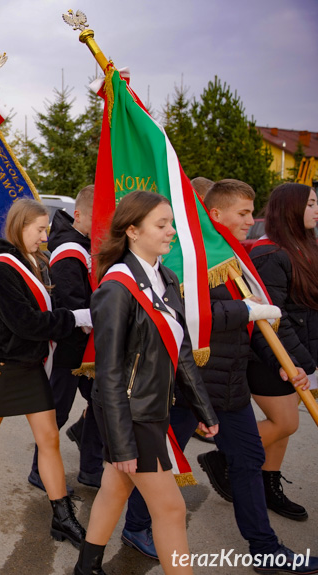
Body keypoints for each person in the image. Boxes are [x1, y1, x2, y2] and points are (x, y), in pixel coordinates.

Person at [117, 178, 318, 575]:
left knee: (248, 458)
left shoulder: (236, 258)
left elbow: (258, 325)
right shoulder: (189, 262)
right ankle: (136, 526)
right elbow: (190, 319)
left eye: (251, 212)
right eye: (242, 214)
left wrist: (281, 360)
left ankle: (265, 550)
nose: (251, 220)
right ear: (214, 215)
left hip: (232, 384)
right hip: (191, 386)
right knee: (162, 461)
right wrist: (247, 311)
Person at [74, 191, 219, 575]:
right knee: (171, 508)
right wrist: (121, 443)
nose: (172, 231)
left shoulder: (165, 276)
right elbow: (108, 373)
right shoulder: (116, 287)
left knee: (115, 489)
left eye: (170, 222)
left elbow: (181, 350)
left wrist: (203, 408)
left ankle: (86, 567)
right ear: (133, 231)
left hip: (153, 409)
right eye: (162, 224)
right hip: (131, 417)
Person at [0, 199, 88, 548]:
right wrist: (75, 318)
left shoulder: (33, 260)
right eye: (39, 230)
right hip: (1, 365)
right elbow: (25, 323)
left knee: (49, 438)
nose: (44, 236)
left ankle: (63, 517)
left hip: (29, 364)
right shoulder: (1, 267)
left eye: (46, 230)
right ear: (19, 226)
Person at [247, 182, 318, 523]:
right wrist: (294, 360)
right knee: (286, 421)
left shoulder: (304, 247)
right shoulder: (270, 254)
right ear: (290, 208)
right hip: (270, 356)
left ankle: (268, 483)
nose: (316, 210)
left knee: (285, 424)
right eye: (310, 204)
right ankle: (227, 456)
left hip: (292, 355)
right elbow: (275, 316)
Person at [28, 185, 104, 492]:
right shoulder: (69, 250)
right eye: (98, 216)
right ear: (79, 214)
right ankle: (38, 471)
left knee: (102, 405)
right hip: (68, 347)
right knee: (56, 410)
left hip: (89, 348)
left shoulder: (88, 244)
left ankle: (90, 468)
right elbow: (70, 303)